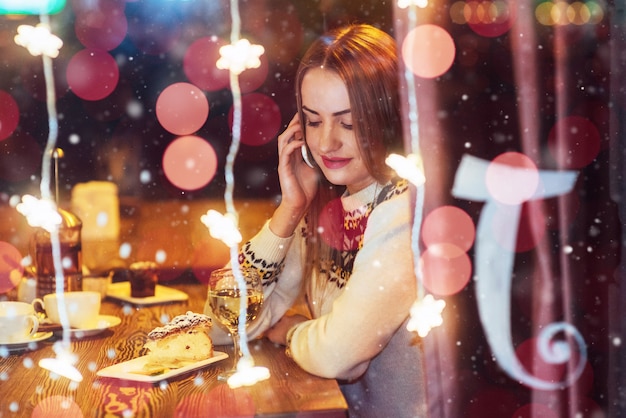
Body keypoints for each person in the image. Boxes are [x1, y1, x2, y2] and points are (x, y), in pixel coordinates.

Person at [204, 23, 426, 417]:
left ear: (390, 120)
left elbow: (339, 355)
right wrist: (289, 212)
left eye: (349, 122)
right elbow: (225, 325)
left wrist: (289, 330)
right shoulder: (325, 204)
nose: (326, 143)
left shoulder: (404, 210)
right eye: (313, 120)